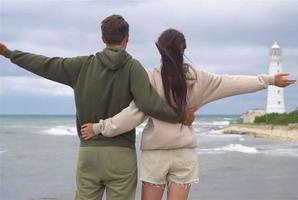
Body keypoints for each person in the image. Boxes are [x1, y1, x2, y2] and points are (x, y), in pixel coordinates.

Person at [80, 28, 296, 200]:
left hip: (156, 155)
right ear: (184, 49)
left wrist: (100, 128)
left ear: (159, 50)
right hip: (185, 155)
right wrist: (268, 80)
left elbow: (133, 115)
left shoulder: (150, 79)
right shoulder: (200, 79)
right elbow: (233, 83)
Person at [0, 15, 191, 200]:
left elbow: (45, 64)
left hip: (89, 154)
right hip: (121, 155)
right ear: (127, 38)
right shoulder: (133, 67)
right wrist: (179, 116)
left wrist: (9, 54)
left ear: (102, 38)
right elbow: (149, 104)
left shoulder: (81, 66)